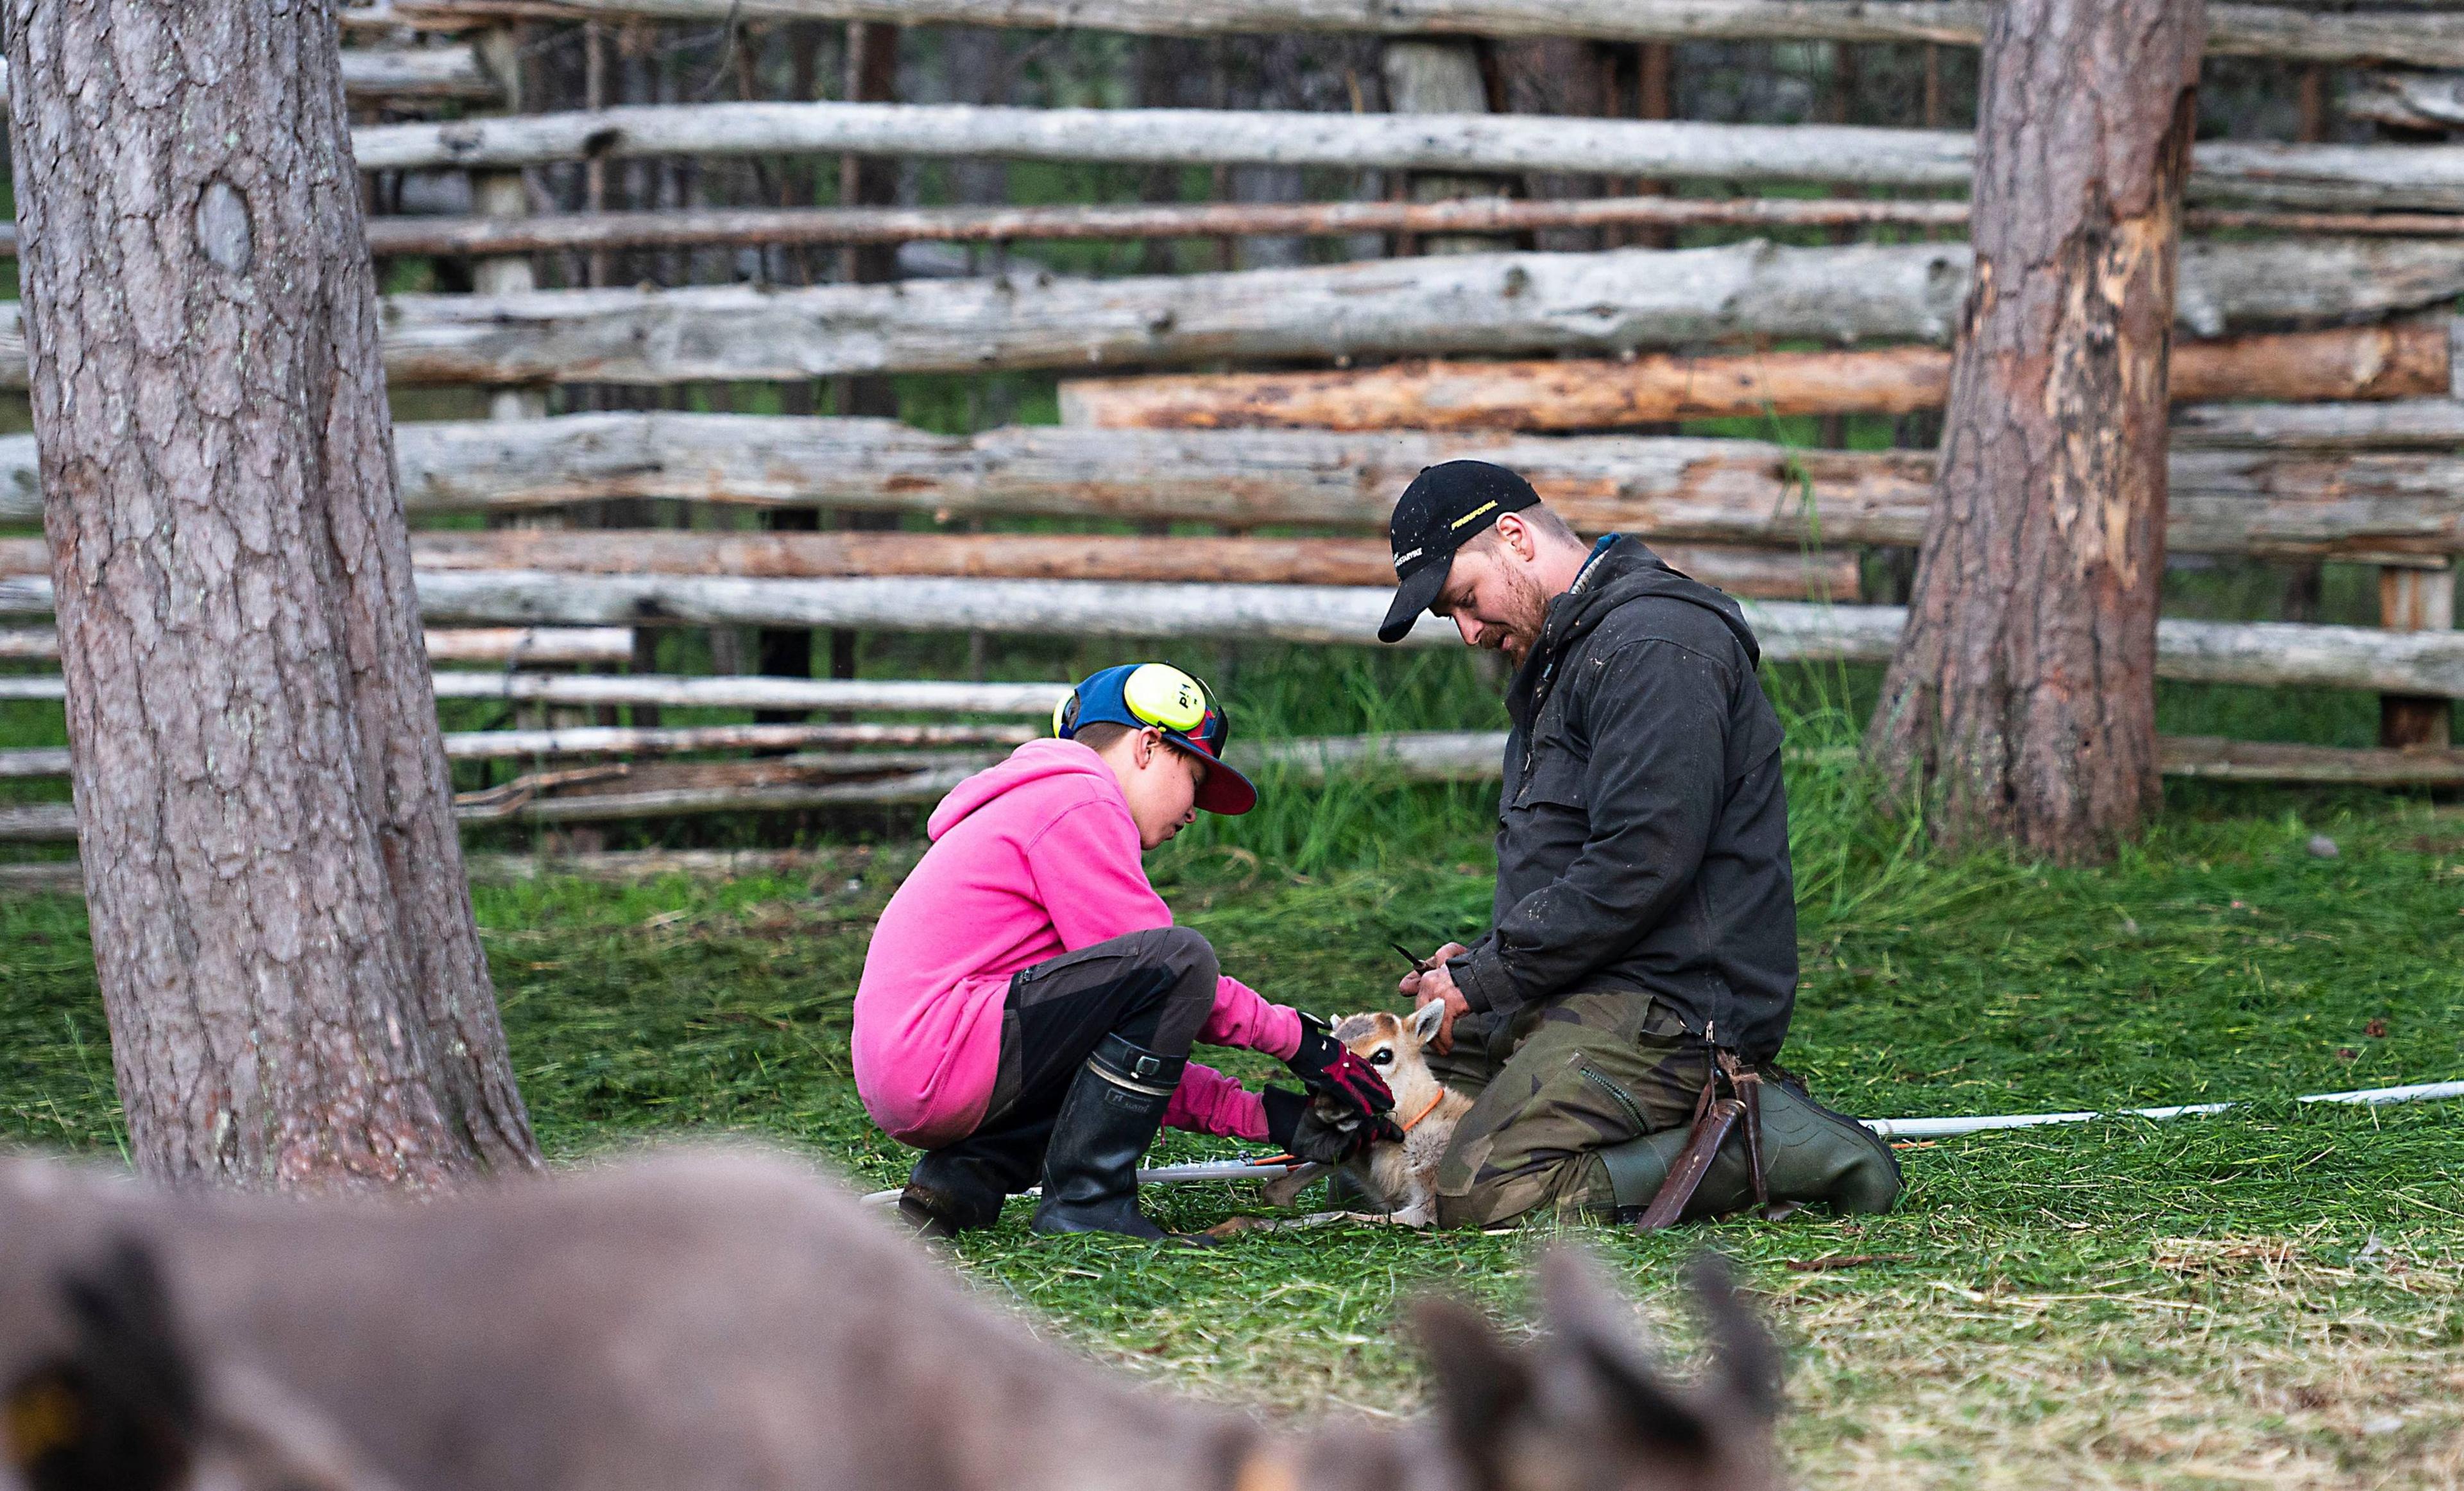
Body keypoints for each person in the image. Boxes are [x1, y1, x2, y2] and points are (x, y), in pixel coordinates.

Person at [1380, 460, 1901, 1228]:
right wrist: (1480, 963)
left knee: (1476, 1189)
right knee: (1376, 1123)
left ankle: (1760, 1143)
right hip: (1581, 986)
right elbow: (1572, 869)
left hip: (1675, 1012)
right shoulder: (1562, 653)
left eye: (1464, 600)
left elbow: (1641, 860)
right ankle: (1648, 1126)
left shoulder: (1657, 642)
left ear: (1515, 538)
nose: (1469, 631)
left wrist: (1491, 976)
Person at [855, 662, 1396, 1241]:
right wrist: (1301, 1040)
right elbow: (1176, 978)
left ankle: (959, 1181)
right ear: (1148, 745)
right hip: (946, 1051)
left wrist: (1275, 1119)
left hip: (923, 1066)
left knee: (1163, 970)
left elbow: (1121, 1066)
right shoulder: (1078, 798)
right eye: (1194, 778)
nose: (1194, 811)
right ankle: (1088, 1211)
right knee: (1180, 958)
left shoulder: (1036, 802)